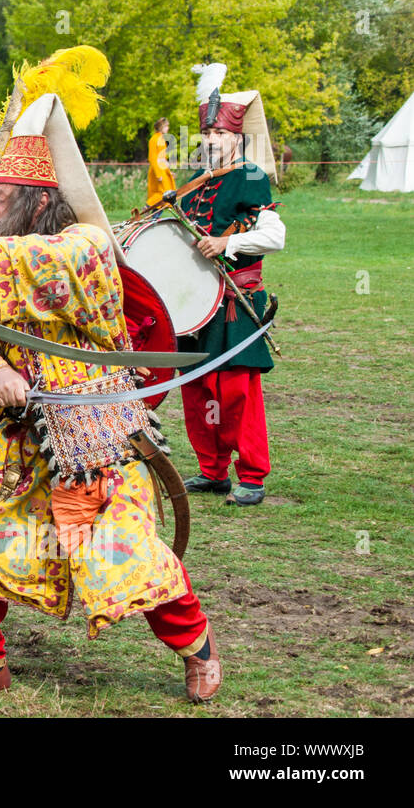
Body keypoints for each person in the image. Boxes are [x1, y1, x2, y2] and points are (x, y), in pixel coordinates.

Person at [0, 61, 221, 704]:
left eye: (0, 197)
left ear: (39, 199)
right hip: (21, 440)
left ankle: (197, 648)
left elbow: (64, 260)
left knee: (125, 555)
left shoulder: (86, 245)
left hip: (100, 436)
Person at [181, 64, 285, 507]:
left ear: (237, 137)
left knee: (237, 390)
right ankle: (212, 471)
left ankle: (253, 477)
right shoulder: (194, 184)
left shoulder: (253, 177)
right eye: (206, 134)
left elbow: (276, 235)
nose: (210, 142)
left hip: (236, 302)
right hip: (195, 306)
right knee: (199, 388)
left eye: (219, 135)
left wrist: (227, 242)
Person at [146, 117, 176, 207]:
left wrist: (169, 171)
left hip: (163, 170)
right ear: (161, 127)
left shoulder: (161, 139)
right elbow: (153, 158)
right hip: (158, 171)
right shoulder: (154, 139)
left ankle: (154, 218)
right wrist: (158, 174)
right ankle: (147, 208)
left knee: (166, 195)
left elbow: (163, 158)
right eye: (166, 126)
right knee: (162, 194)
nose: (168, 128)